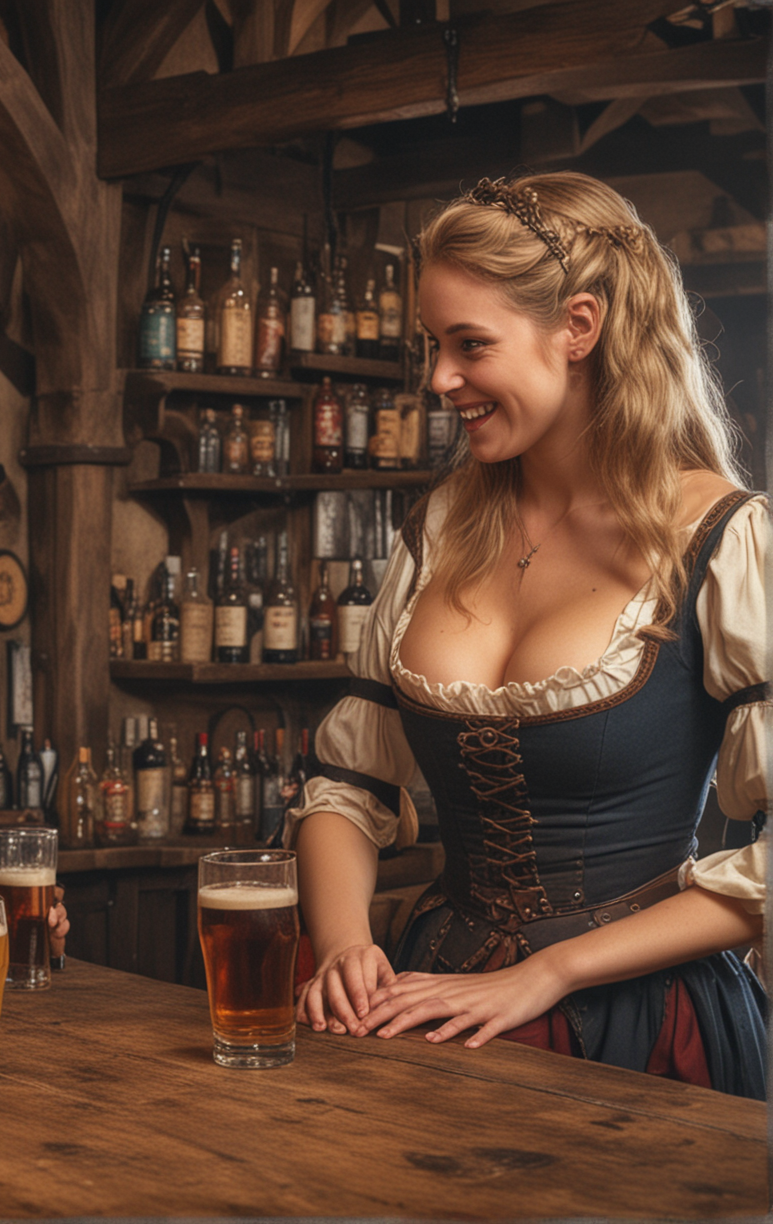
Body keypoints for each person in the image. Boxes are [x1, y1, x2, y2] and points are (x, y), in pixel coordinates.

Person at [292, 172, 766, 1098]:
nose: (440, 379)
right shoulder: (436, 529)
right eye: (434, 345)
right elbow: (347, 784)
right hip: (435, 1000)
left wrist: (548, 971)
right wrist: (347, 945)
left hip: (641, 1026)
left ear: (578, 328)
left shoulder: (722, 540)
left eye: (471, 344)